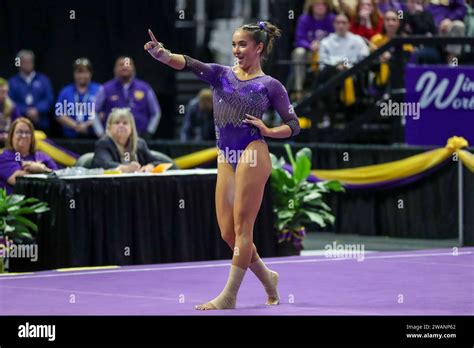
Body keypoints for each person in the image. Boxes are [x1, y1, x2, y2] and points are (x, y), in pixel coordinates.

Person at [144, 21, 300, 310]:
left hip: (253, 152)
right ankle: (269, 280)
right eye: (234, 44)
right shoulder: (220, 75)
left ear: (259, 48)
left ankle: (229, 296)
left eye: (243, 45)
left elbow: (294, 125)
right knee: (227, 232)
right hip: (225, 155)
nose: (237, 50)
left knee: (243, 227)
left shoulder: (270, 85)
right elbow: (189, 63)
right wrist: (162, 55)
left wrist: (268, 131)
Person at [94, 57, 161, 138]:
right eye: (121, 65)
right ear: (114, 69)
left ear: (134, 68)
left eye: (128, 64)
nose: (124, 67)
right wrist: (100, 133)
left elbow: (156, 112)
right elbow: (93, 111)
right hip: (112, 138)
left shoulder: (145, 88)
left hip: (139, 137)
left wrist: (149, 132)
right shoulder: (105, 88)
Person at [92, 108, 163, 173]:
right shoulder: (104, 143)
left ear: (132, 127)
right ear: (109, 127)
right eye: (117, 123)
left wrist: (150, 166)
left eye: (125, 123)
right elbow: (102, 163)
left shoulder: (139, 143)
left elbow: (158, 161)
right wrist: (125, 168)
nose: (121, 125)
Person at [291, 0, 335, 101]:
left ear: (327, 6)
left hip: (328, 53)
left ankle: (327, 93)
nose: (320, 7)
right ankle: (298, 90)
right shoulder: (304, 19)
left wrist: (322, 44)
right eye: (317, 4)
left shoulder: (332, 19)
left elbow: (335, 38)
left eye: (323, 4)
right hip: (309, 52)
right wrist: (310, 45)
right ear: (311, 6)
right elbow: (299, 39)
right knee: (298, 52)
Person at [0, 117, 58, 194]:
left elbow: (57, 177)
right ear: (11, 136)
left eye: (27, 132)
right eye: (19, 132)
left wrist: (43, 169)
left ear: (32, 137)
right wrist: (40, 170)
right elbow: (17, 180)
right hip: (16, 203)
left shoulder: (41, 156)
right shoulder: (4, 156)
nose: (24, 136)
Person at [8, 50, 54, 131]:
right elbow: (10, 101)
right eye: (25, 62)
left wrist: (37, 110)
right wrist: (25, 110)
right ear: (19, 63)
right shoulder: (12, 82)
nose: (28, 64)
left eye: (30, 61)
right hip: (19, 124)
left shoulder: (43, 79)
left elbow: (49, 99)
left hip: (41, 123)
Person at [55, 58, 101, 138]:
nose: (82, 76)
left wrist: (86, 125)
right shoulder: (65, 91)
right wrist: (76, 125)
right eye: (79, 72)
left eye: (85, 72)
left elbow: (102, 113)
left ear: (91, 73)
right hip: (70, 139)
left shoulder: (99, 90)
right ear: (74, 74)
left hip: (93, 137)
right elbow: (59, 114)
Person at [0, 78, 21, 143]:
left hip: (8, 140)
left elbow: (18, 125)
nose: (3, 95)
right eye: (1, 92)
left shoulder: (12, 107)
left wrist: (10, 135)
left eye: (5, 92)